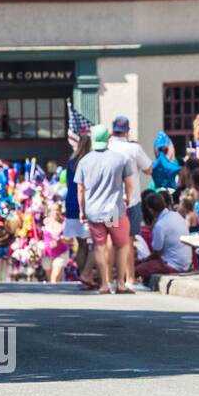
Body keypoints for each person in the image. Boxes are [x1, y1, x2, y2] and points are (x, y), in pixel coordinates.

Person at [75, 124, 137, 294]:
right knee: (121, 245)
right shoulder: (120, 159)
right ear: (108, 139)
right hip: (113, 211)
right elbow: (129, 183)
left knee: (99, 246)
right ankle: (120, 284)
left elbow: (80, 189)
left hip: (94, 211)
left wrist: (82, 210)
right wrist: (127, 198)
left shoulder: (84, 161)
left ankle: (104, 284)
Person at [108, 115, 152, 241]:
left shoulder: (106, 148)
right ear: (127, 131)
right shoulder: (134, 148)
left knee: (112, 240)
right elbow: (149, 169)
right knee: (131, 241)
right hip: (131, 201)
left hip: (110, 203)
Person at [135, 190, 192, 283]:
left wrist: (143, 261)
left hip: (173, 265)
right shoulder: (176, 215)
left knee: (138, 269)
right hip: (185, 263)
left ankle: (118, 280)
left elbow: (156, 254)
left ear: (150, 210)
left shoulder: (160, 225)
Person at [64, 134, 97, 288]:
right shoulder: (89, 163)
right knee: (91, 244)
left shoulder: (71, 162)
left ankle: (83, 276)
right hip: (84, 204)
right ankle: (86, 276)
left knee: (80, 244)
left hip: (71, 203)